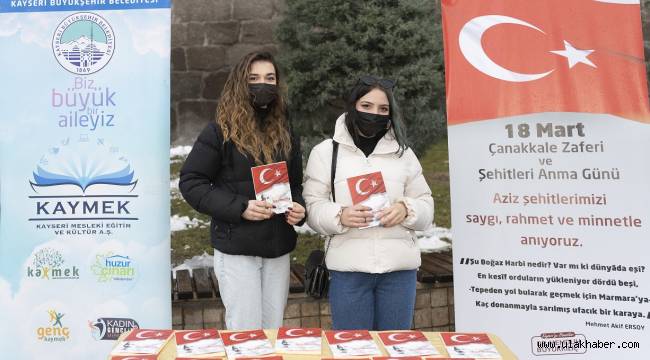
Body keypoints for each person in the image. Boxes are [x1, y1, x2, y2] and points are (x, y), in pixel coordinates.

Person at [179, 51, 306, 330]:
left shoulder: (286, 132)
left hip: (278, 248)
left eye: (270, 78)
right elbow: (191, 182)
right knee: (245, 332)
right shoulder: (219, 132)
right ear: (241, 84)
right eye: (254, 79)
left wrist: (299, 208)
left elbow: (295, 184)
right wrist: (241, 207)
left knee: (272, 330)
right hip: (238, 249)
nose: (263, 85)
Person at [303, 75, 434, 330]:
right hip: (349, 274)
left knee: (395, 350)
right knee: (354, 350)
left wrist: (406, 209)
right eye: (367, 106)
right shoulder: (326, 152)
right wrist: (339, 215)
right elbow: (312, 207)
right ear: (352, 106)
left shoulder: (403, 153)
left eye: (383, 109)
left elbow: (426, 207)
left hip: (399, 274)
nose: (375, 114)